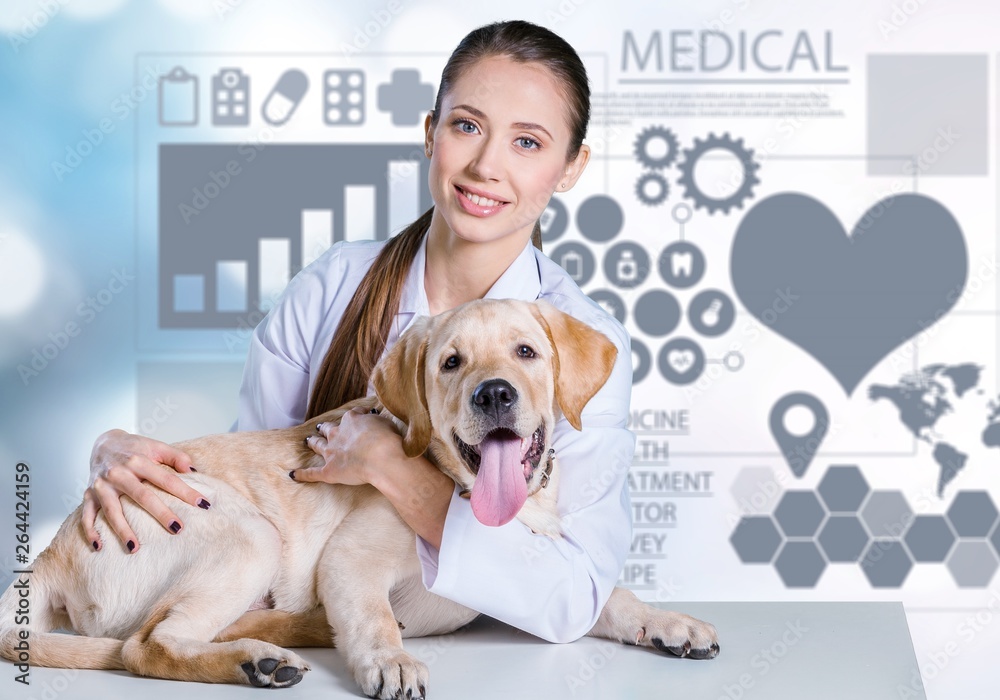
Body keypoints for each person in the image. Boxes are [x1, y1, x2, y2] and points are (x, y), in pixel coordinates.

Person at [84, 19, 635, 644]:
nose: (486, 165)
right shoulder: (334, 285)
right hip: (294, 620)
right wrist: (120, 454)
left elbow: (571, 598)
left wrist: (387, 465)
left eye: (528, 142)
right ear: (432, 134)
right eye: (467, 126)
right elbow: (262, 477)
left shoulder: (581, 339)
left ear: (571, 166)